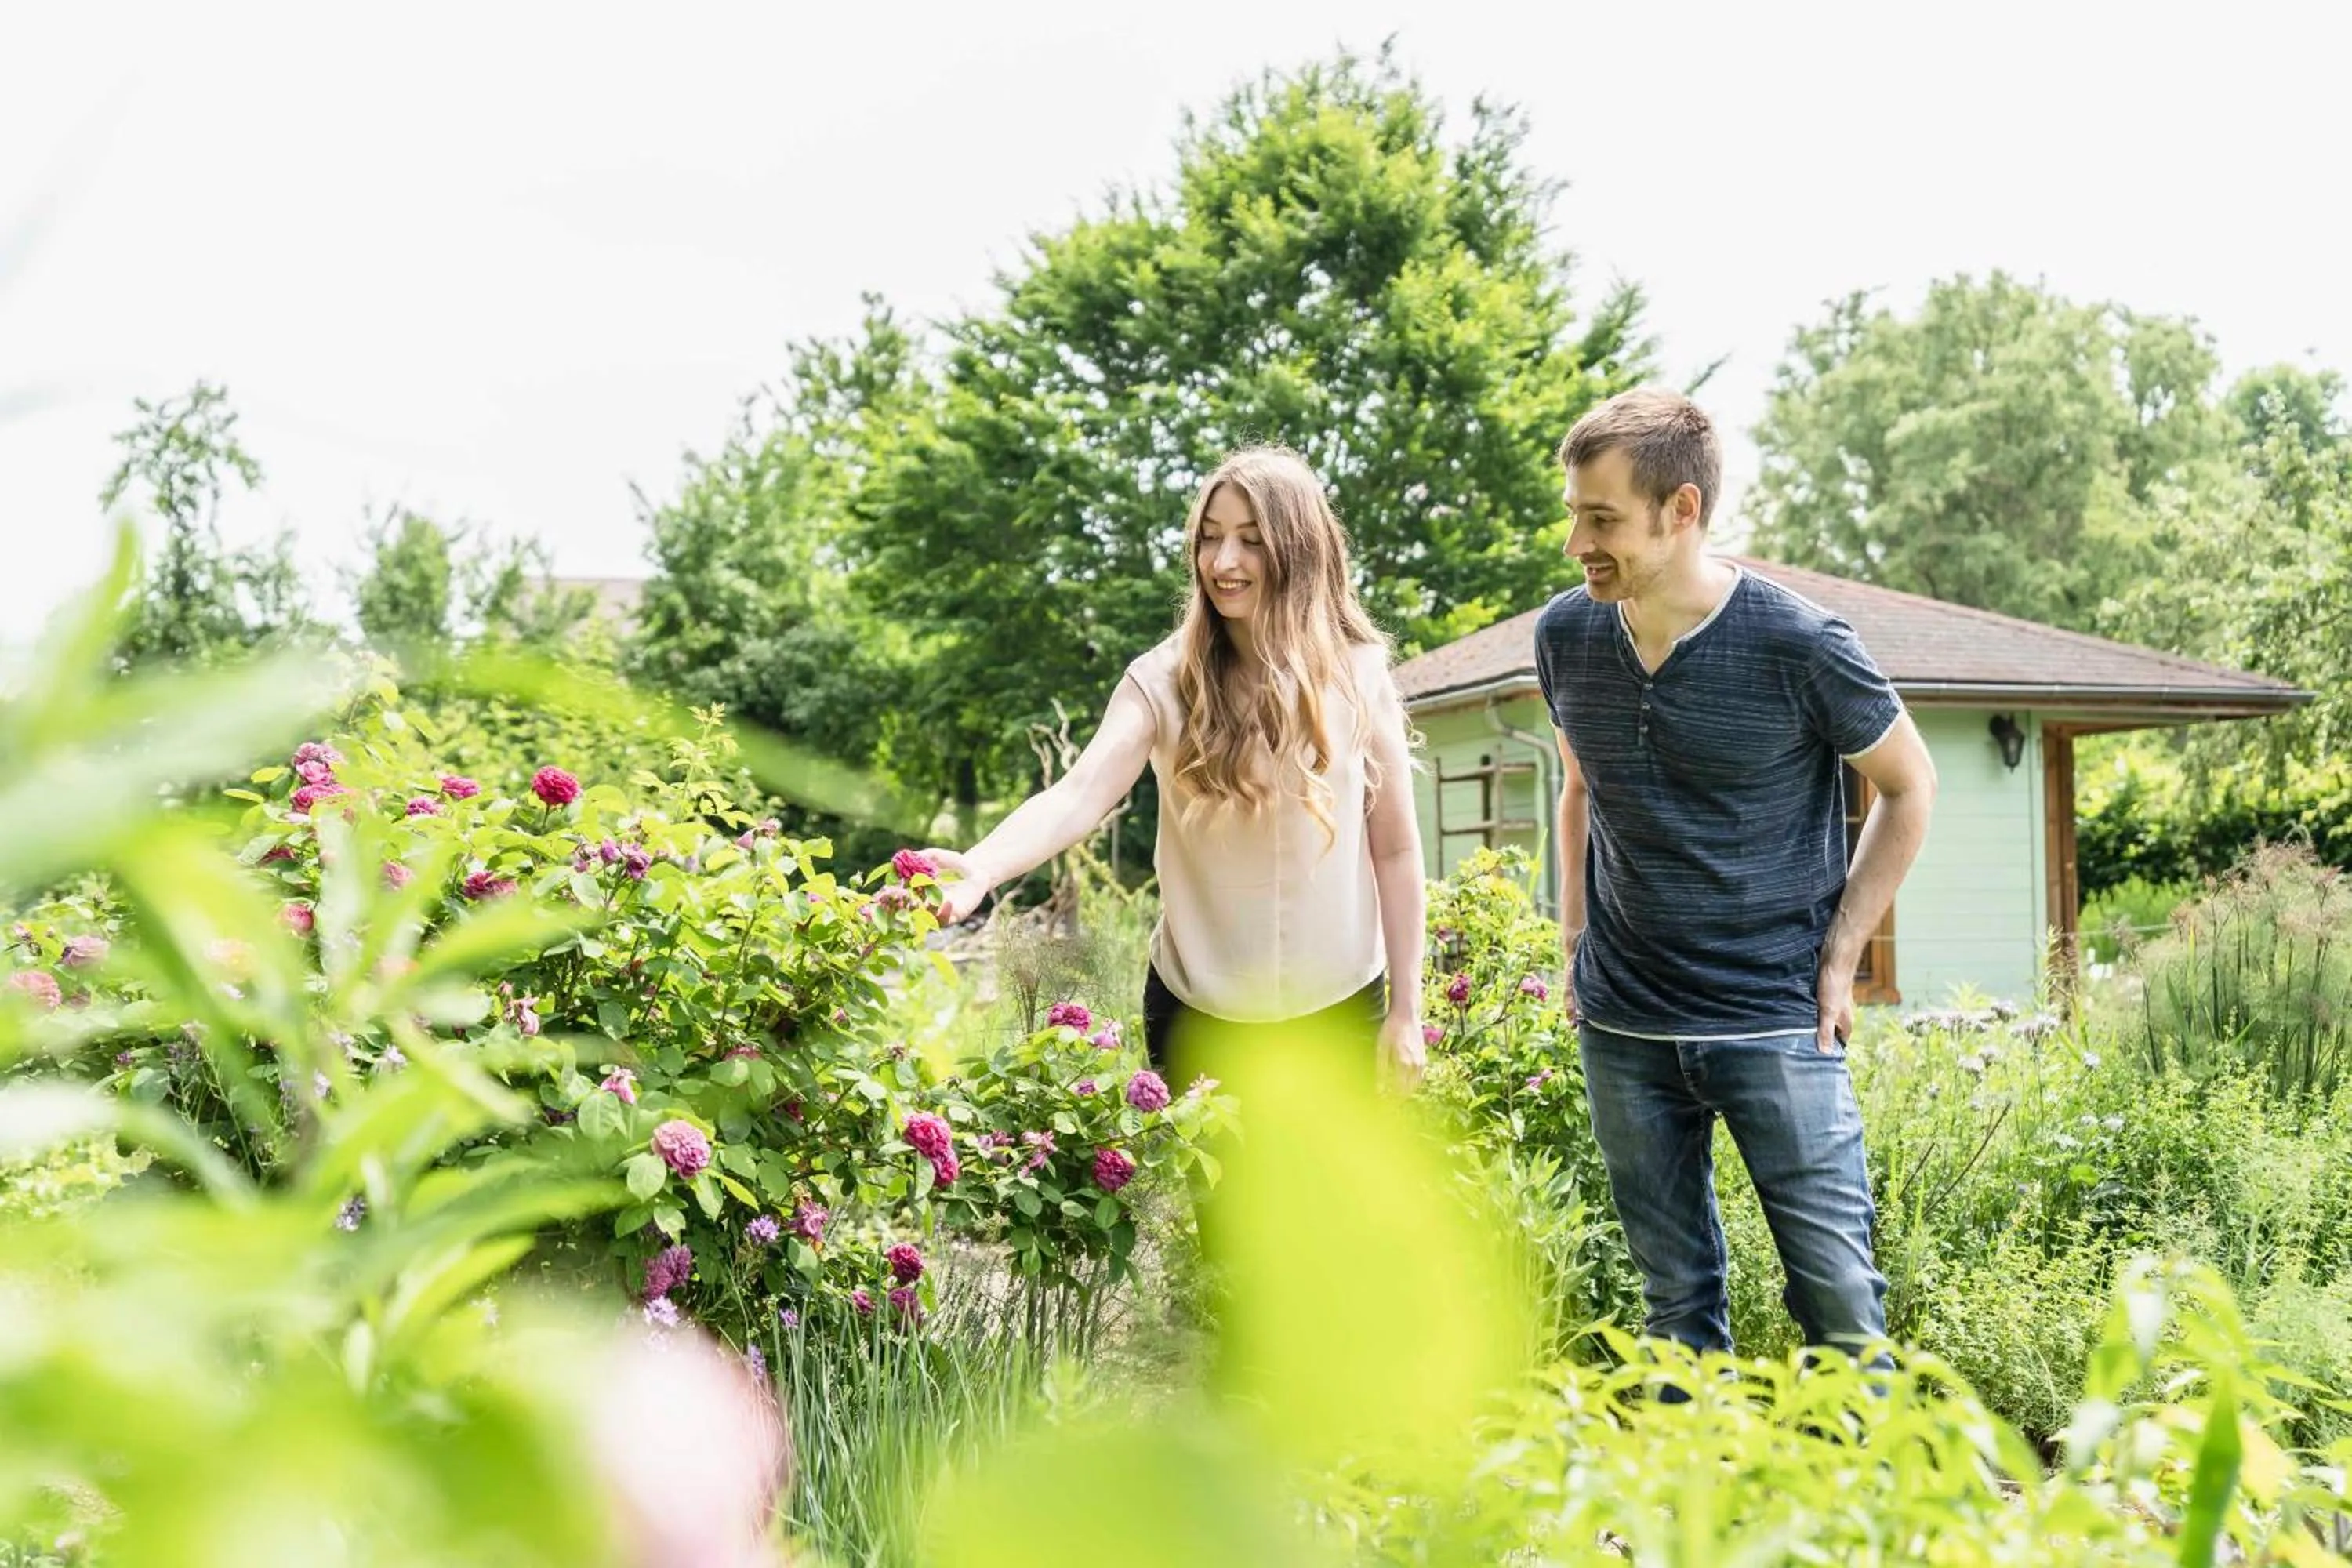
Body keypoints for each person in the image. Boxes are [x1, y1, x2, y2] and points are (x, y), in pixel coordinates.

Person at [1534, 387, 1936, 1364]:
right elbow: (1579, 788)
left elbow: (1909, 788)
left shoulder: (1799, 643)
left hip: (1773, 1018)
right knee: (1674, 1301)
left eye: (1602, 519)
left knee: (1840, 1302)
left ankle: (1865, 1511)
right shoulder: (1566, 636)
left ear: (1681, 511)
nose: (1577, 541)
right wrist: (1576, 944)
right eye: (1574, 514)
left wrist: (1842, 955)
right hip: (1627, 1025)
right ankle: (1693, 1507)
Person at [920, 445, 1428, 1090]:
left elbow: (1396, 849)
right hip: (1200, 1017)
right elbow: (1079, 793)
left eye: (1251, 540)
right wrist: (982, 866)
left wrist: (1407, 1011)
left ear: (1298, 549)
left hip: (1340, 1009)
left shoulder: (1359, 673)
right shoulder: (1161, 681)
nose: (1223, 562)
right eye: (1209, 539)